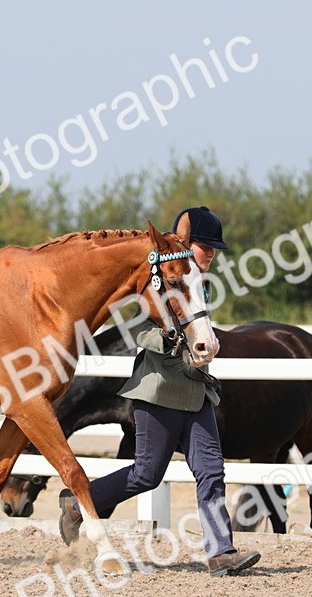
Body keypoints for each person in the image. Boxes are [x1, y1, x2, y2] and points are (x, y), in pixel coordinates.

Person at [58, 206, 260, 577]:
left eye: (214, 249)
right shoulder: (159, 279)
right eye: (205, 246)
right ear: (185, 245)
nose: (212, 254)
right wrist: (170, 338)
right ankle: (77, 505)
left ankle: (221, 553)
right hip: (158, 393)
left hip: (197, 392)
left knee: (211, 470)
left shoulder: (202, 285)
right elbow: (138, 331)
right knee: (146, 475)